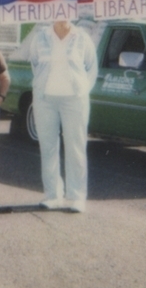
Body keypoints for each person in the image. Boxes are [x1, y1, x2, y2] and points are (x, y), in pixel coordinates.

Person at [28, 19, 98, 213]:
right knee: (48, 147)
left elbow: (92, 68)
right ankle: (53, 195)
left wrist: (82, 91)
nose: (62, 16)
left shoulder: (82, 37)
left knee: (76, 147)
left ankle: (77, 197)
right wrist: (42, 87)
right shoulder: (40, 36)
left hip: (74, 100)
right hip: (45, 100)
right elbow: (35, 64)